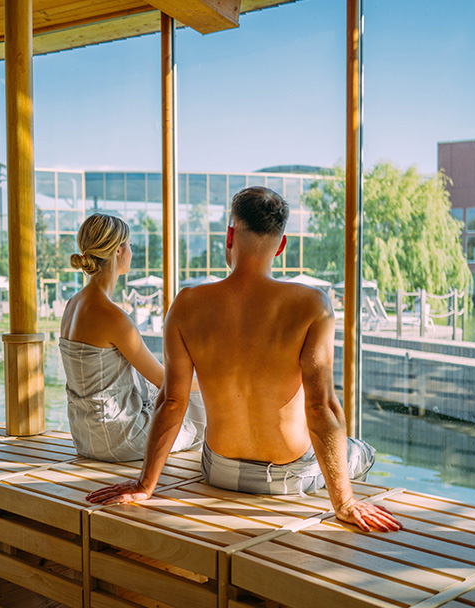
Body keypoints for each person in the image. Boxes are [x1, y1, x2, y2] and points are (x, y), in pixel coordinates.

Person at [86, 189, 400, 532]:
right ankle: (344, 511)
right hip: (288, 476)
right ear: (280, 247)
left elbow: (172, 401)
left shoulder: (187, 304)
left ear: (230, 235)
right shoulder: (311, 304)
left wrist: (145, 485)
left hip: (220, 470)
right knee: (362, 451)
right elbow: (320, 407)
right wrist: (345, 501)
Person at [59, 213, 205, 462]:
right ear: (117, 250)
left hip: (85, 437)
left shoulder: (73, 304)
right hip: (119, 438)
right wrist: (217, 381)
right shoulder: (112, 317)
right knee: (202, 412)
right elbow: (163, 380)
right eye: (129, 245)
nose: (131, 252)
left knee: (188, 399)